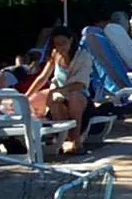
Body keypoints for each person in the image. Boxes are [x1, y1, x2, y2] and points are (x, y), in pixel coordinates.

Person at [26, 26, 92, 154]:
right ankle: (59, 140)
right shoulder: (55, 54)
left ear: (71, 41)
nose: (60, 47)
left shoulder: (83, 56)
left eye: (63, 43)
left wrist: (59, 90)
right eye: (57, 44)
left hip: (78, 95)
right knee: (44, 100)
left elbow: (80, 84)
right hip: (59, 95)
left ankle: (76, 141)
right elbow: (43, 77)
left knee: (74, 97)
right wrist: (26, 95)